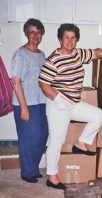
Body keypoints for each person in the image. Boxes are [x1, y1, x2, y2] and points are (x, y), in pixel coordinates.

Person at [38, 23, 102, 190]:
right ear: (60, 39)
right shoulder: (53, 59)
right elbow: (43, 84)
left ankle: (81, 143)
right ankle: (52, 177)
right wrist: (58, 99)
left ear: (76, 40)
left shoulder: (77, 54)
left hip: (73, 103)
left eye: (73, 37)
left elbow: (95, 52)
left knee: (100, 116)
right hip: (57, 105)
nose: (70, 41)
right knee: (56, 141)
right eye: (66, 37)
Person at [10, 18, 48, 183]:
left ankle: (33, 168)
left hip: (41, 102)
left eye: (38, 32)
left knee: (42, 136)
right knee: (29, 138)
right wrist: (24, 108)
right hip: (25, 103)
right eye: (32, 32)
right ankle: (27, 172)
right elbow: (16, 82)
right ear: (26, 33)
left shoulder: (42, 55)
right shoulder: (20, 54)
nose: (35, 35)